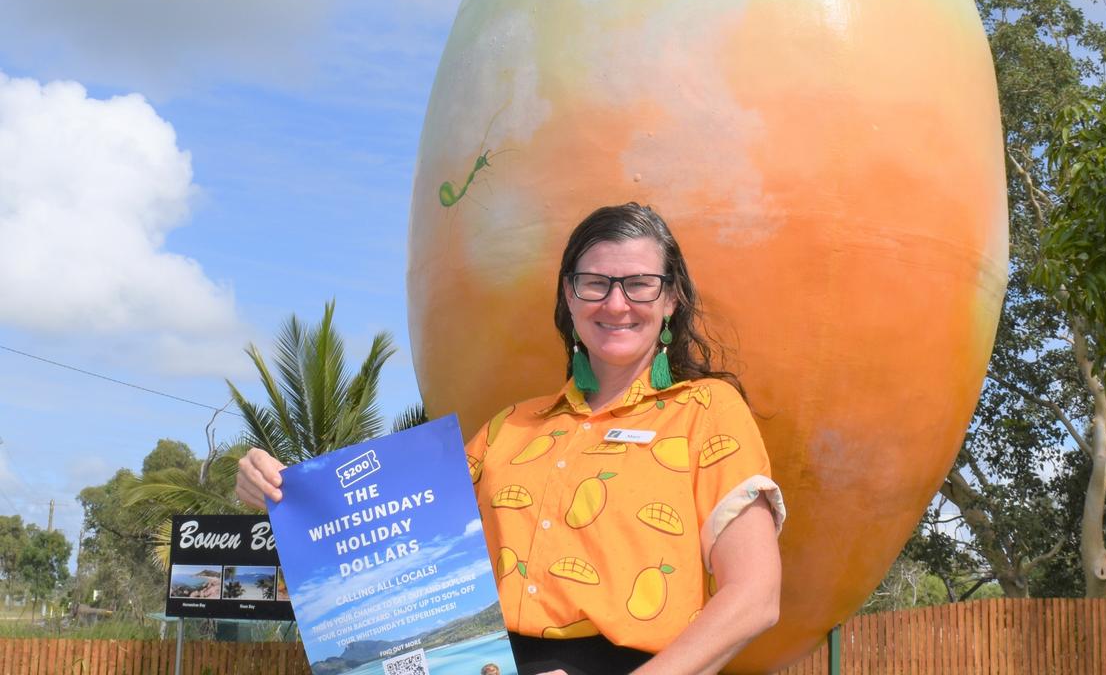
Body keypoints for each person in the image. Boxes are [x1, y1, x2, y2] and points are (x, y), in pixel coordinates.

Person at [238, 203, 785, 675]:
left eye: (640, 284)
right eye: (594, 283)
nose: (616, 304)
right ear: (569, 299)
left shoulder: (707, 411)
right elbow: (393, 538)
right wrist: (285, 494)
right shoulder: (509, 428)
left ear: (671, 300)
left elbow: (754, 597)